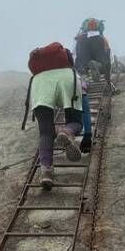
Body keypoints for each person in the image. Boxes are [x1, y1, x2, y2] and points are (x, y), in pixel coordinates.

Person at [21, 42, 83, 190]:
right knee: (76, 122)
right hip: (67, 78)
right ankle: (67, 131)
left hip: (40, 83)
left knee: (45, 132)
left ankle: (46, 172)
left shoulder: (39, 72)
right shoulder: (67, 67)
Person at [74, 17, 112, 89]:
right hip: (98, 41)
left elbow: (77, 55)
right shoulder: (101, 38)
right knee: (104, 61)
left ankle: (84, 81)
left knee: (82, 64)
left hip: (82, 42)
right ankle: (98, 65)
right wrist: (108, 79)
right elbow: (107, 52)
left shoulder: (80, 38)